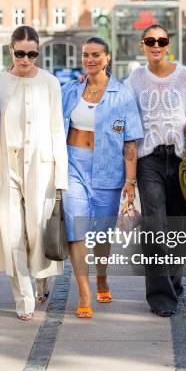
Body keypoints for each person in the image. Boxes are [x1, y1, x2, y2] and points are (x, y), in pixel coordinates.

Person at [0, 26, 68, 321]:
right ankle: (23, 297)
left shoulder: (49, 83)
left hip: (41, 165)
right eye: (20, 53)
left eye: (32, 54)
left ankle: (42, 278)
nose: (25, 59)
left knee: (37, 229)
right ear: (11, 50)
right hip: (5, 165)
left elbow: (57, 128)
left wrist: (61, 176)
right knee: (10, 233)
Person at [125, 24, 186, 317]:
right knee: (155, 227)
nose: (156, 45)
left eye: (161, 40)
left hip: (180, 159)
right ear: (142, 45)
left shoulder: (185, 77)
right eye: (150, 40)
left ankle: (173, 282)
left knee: (179, 228)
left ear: (168, 44)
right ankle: (160, 297)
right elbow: (123, 110)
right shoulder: (135, 78)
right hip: (149, 160)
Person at [61, 37, 143, 319]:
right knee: (76, 227)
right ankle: (84, 291)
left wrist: (130, 183)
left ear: (107, 58)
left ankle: (101, 275)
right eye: (85, 55)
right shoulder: (70, 90)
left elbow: (130, 143)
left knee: (101, 233)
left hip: (108, 170)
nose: (90, 60)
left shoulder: (122, 95)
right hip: (73, 166)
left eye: (96, 55)